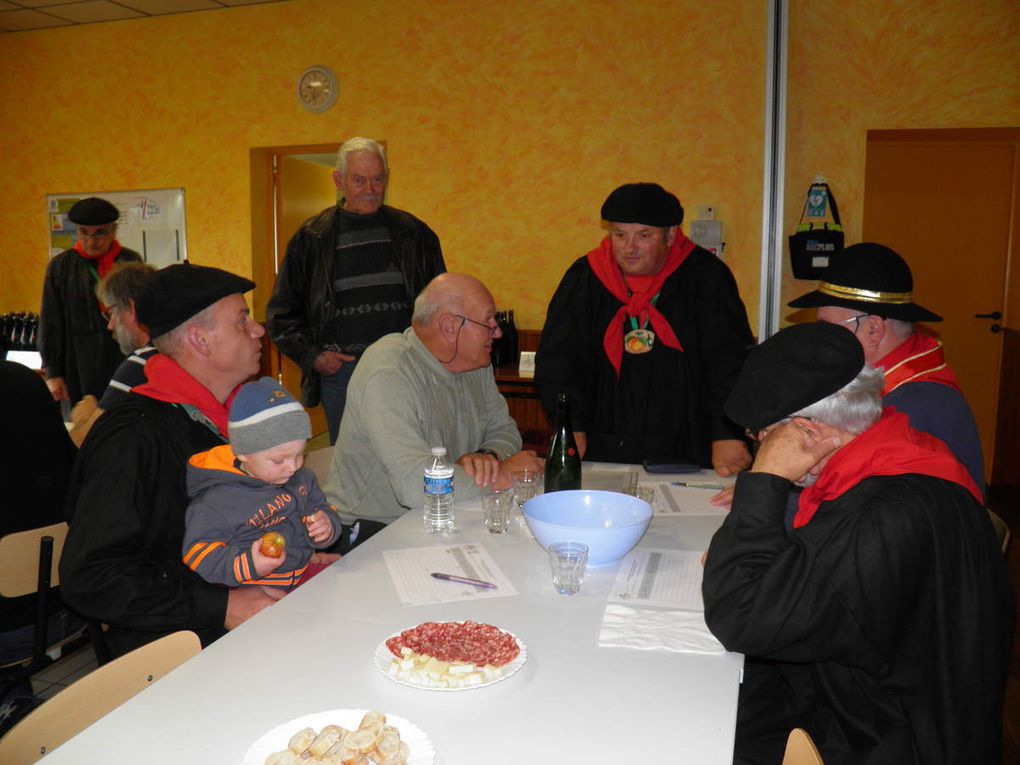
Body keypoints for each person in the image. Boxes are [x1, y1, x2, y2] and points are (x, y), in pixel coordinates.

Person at [702, 322, 1013, 765]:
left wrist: (766, 480)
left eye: (762, 436)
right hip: (871, 698)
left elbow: (741, 617)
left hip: (887, 737)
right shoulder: (895, 450)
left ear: (806, 432)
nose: (758, 449)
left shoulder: (880, 515)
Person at [59, 263, 300, 658]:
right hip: (180, 650)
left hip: (249, 613)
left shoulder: (232, 418)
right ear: (200, 340)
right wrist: (221, 606)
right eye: (242, 321)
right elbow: (91, 576)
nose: (259, 330)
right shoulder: (134, 437)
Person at [535, 183, 754, 473]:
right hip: (603, 440)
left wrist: (728, 431)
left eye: (644, 236)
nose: (630, 248)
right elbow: (558, 359)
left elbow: (729, 362)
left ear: (671, 235)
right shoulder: (586, 277)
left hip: (689, 441)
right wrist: (570, 423)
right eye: (620, 235)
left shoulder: (706, 277)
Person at [324, 273, 543, 542]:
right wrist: (500, 475)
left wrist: (486, 457)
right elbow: (414, 485)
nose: (497, 331)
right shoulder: (388, 371)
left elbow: (505, 430)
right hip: (369, 531)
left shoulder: (475, 364)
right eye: (488, 320)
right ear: (451, 326)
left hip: (445, 517)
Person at [267, 136, 446, 444]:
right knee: (351, 462)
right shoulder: (311, 239)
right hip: (343, 375)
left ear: (387, 177)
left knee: (414, 452)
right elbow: (281, 313)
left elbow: (442, 304)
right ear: (339, 180)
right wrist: (314, 356)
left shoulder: (415, 234)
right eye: (360, 180)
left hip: (407, 369)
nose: (370, 189)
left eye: (378, 179)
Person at [788, 241, 985, 495]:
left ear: (873, 329)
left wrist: (770, 501)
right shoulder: (890, 379)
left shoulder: (912, 404)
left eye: (828, 328)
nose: (820, 339)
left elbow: (851, 501)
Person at [183, 377, 342, 590]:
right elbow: (198, 553)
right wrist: (250, 564)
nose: (293, 467)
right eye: (279, 460)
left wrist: (326, 527)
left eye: (300, 454)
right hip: (255, 591)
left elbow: (321, 508)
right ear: (244, 453)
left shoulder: (301, 478)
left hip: (301, 575)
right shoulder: (217, 502)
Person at [40, 197, 142, 414]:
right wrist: (53, 373)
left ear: (113, 231)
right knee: (82, 427)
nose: (91, 241)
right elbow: (51, 321)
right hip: (76, 364)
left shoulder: (130, 262)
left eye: (99, 233)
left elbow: (142, 314)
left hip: (121, 358)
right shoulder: (61, 267)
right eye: (84, 233)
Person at [68, 261, 158, 446]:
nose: (110, 326)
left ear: (132, 309)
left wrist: (83, 416)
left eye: (112, 313)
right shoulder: (174, 351)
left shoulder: (141, 365)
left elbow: (83, 441)